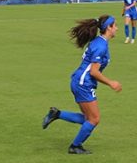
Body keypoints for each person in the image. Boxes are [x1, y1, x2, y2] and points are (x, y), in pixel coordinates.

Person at [42, 15, 122, 154]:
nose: (117, 28)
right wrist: (111, 83)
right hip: (83, 83)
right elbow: (94, 72)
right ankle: (75, 146)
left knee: (88, 118)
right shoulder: (101, 46)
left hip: (80, 81)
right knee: (94, 119)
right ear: (108, 28)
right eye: (115, 25)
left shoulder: (99, 42)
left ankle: (57, 114)